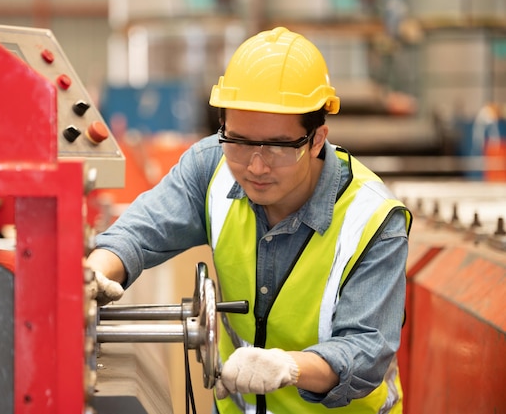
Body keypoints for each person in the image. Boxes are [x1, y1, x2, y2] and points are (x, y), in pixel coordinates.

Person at [85, 26, 412, 414]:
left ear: (317, 139)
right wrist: (96, 273)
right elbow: (139, 233)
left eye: (277, 146)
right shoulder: (211, 166)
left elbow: (364, 352)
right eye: (238, 141)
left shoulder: (373, 221)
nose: (255, 166)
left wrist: (289, 367)